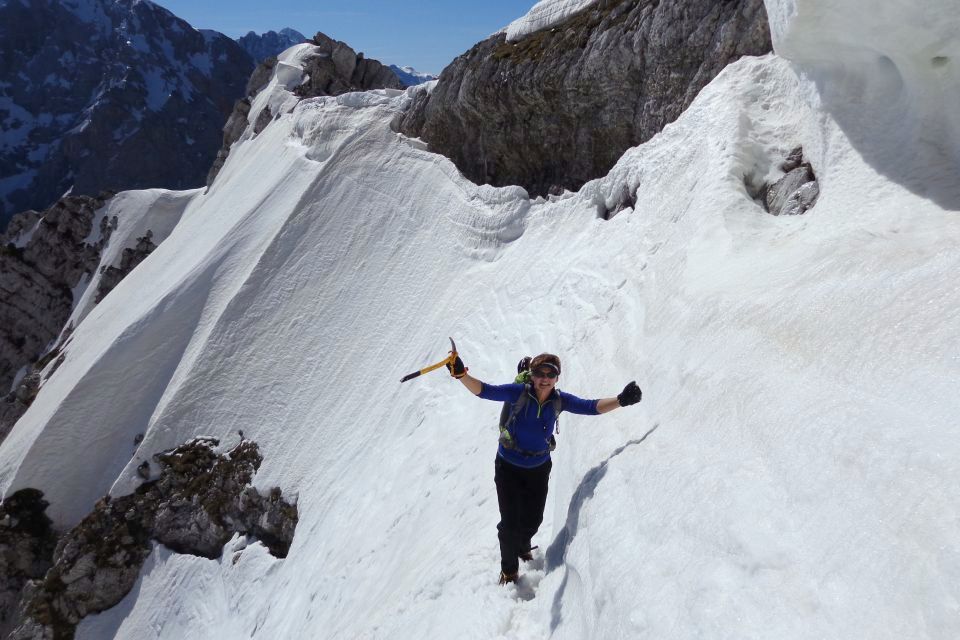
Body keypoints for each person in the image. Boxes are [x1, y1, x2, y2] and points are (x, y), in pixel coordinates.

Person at [446, 350, 642, 585]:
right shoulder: (518, 392)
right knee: (509, 524)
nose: (545, 378)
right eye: (540, 373)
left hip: (539, 467)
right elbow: (485, 391)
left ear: (557, 378)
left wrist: (621, 400)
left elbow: (590, 407)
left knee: (534, 520)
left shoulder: (560, 400)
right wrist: (461, 375)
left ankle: (522, 545)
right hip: (508, 466)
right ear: (532, 375)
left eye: (551, 373)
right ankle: (509, 571)